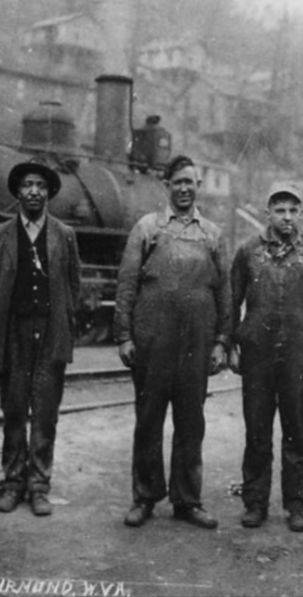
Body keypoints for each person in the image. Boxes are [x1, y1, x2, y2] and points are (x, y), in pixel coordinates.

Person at [115, 155, 231, 530]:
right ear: (167, 186)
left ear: (198, 186)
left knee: (191, 422)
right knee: (148, 420)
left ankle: (188, 500)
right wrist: (124, 335)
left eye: (190, 182)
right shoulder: (147, 229)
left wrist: (221, 342)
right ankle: (145, 496)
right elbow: (127, 284)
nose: (184, 188)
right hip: (152, 341)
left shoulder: (212, 235)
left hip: (196, 344)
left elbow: (224, 293)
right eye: (177, 182)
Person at [228, 185, 303, 531]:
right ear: (268, 213)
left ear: (301, 214)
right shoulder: (248, 252)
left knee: (296, 433)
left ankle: (296, 506)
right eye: (280, 210)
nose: (287, 217)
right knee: (257, 431)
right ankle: (255, 503)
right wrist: (230, 345)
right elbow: (230, 302)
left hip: (297, 355)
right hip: (257, 355)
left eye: (293, 210)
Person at [0, 159, 81, 516]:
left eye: (40, 185)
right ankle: (12, 483)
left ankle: (39, 486)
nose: (34, 191)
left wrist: (66, 328)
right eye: (27, 185)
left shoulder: (65, 236)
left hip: (50, 333)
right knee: (13, 409)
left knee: (45, 413)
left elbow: (74, 286)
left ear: (49, 193)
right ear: (18, 193)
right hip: (12, 334)